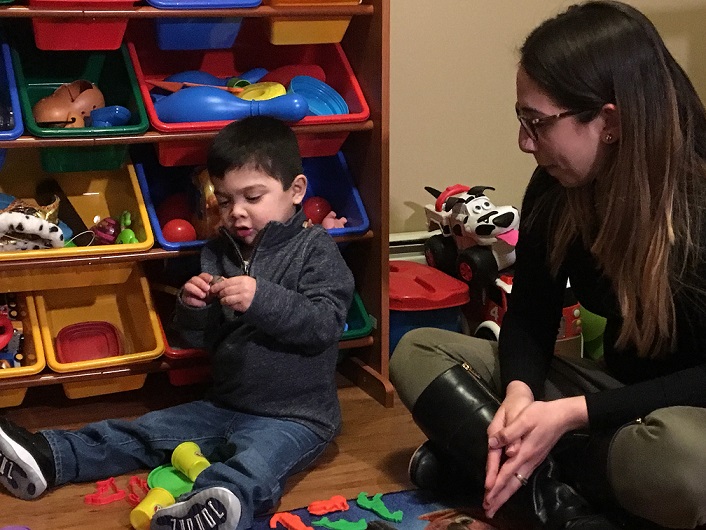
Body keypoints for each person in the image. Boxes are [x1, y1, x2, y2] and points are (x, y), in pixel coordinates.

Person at [390, 2, 706, 529]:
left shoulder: (696, 200)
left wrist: (568, 417)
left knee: (688, 467)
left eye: (537, 123)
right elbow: (532, 312)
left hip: (681, 415)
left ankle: (506, 469)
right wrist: (520, 394)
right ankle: (558, 502)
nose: (523, 142)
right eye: (521, 119)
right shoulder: (557, 186)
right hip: (609, 399)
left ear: (609, 121)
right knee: (418, 350)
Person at [0, 116, 355, 530]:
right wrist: (194, 307)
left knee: (257, 463)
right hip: (223, 405)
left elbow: (325, 325)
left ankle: (217, 506)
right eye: (224, 201)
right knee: (146, 431)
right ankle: (50, 457)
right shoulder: (219, 250)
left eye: (253, 197)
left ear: (295, 191)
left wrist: (262, 298)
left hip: (296, 417)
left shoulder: (316, 251)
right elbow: (202, 339)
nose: (237, 212)